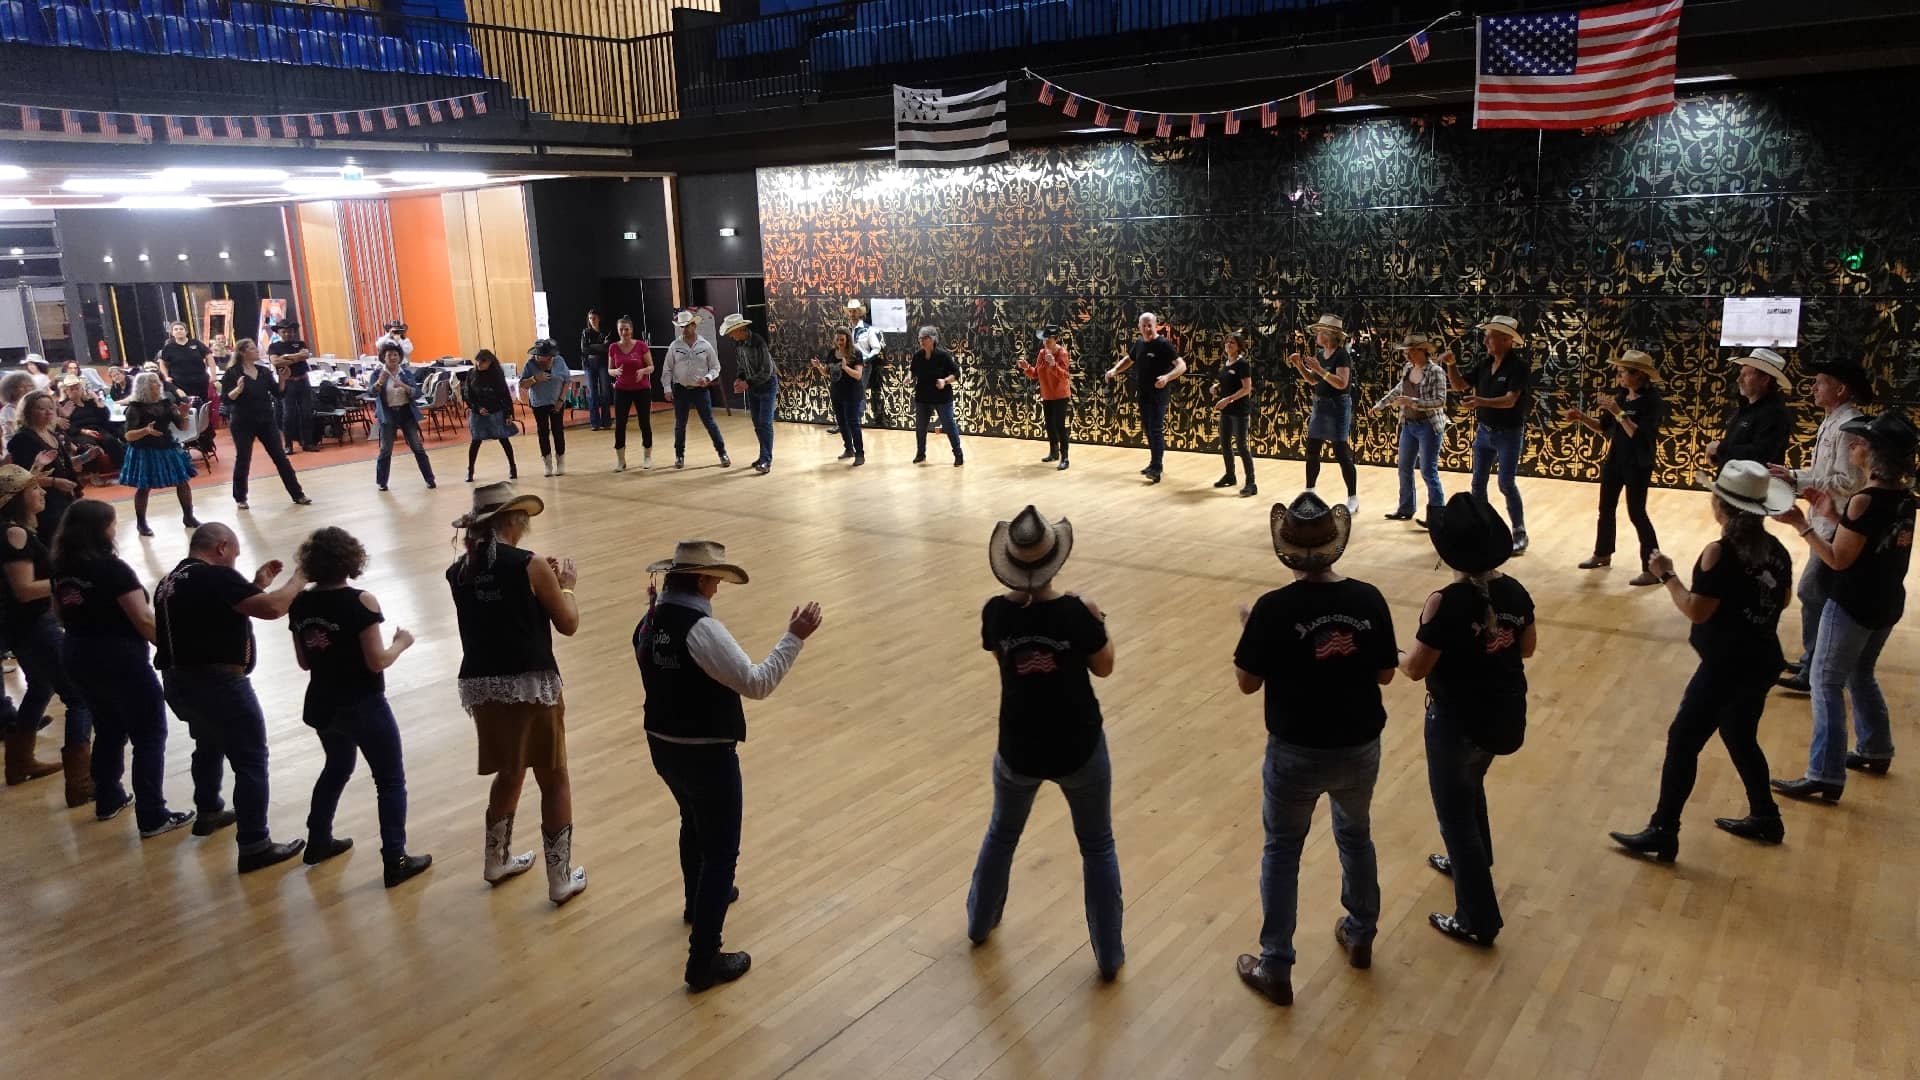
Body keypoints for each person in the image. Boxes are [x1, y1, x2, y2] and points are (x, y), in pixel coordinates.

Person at [637, 539, 823, 990]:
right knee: (721, 855)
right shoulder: (701, 630)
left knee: (691, 822)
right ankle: (704, 961)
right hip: (706, 754)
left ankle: (694, 902)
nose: (718, 588)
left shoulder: (649, 620)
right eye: (716, 580)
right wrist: (794, 636)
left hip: (662, 745)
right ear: (701, 580)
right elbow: (757, 683)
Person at [1231, 492, 1394, 1006]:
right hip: (1359, 745)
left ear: (1288, 549)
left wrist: (1251, 633)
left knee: (1282, 851)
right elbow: (1386, 672)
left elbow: (1247, 683)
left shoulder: (1273, 609)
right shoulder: (1369, 598)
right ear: (1334, 545)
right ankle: (1361, 932)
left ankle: (1276, 965)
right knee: (1356, 836)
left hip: (1295, 750)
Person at [1608, 461, 1795, 861]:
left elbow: (1697, 610)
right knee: (1740, 735)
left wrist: (1667, 575)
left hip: (1727, 666)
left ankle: (1663, 829)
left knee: (1683, 740)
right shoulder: (1777, 551)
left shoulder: (1719, 553)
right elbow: (1782, 601)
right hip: (1763, 660)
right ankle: (1766, 816)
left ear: (1721, 505)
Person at [967, 507, 1121, 980]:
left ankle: (978, 923)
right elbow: (1104, 666)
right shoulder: (1077, 612)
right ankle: (1109, 955)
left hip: (1018, 745)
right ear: (1055, 558)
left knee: (1002, 834)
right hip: (1079, 744)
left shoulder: (995, 612)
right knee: (1097, 846)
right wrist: (1099, 619)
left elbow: (1005, 665)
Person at [1399, 493, 1536, 948]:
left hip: (1456, 721)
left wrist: (1392, 654)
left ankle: (1478, 918)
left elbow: (1417, 668)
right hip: (1503, 712)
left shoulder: (1446, 601)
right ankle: (1475, 859)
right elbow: (1528, 647)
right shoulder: (1515, 591)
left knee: (1455, 816)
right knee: (1471, 786)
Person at [446, 482, 586, 905]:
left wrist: (539, 573)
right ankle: (560, 880)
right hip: (530, 683)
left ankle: (496, 861)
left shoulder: (458, 570)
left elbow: (494, 598)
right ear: (513, 519)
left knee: (510, 771)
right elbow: (568, 623)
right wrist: (567, 585)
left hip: (481, 685)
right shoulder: (529, 565)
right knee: (554, 777)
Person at [1770, 410, 1916, 801]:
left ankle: (1824, 774)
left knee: (1825, 682)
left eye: (1861, 442)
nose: (1853, 445)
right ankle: (1875, 748)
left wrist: (1801, 525)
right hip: (1887, 600)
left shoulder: (1865, 501)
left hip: (1853, 603)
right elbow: (1871, 544)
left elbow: (1837, 559)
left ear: (1875, 454)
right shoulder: (1904, 499)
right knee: (1861, 674)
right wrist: (1832, 514)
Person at [155, 523, 308, 872]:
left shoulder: (171, 581)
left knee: (208, 742)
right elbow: (273, 609)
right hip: (219, 683)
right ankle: (255, 844)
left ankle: (208, 810)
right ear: (222, 547)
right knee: (251, 759)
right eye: (234, 555)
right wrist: (300, 577)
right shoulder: (215, 576)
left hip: (179, 683)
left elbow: (213, 616)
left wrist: (254, 586)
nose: (233, 563)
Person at [289, 527, 432, 888]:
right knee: (390, 781)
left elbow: (304, 662)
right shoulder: (361, 602)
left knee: (336, 768)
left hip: (323, 703)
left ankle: (318, 839)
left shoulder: (301, 603)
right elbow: (376, 661)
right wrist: (401, 643)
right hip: (362, 704)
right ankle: (395, 860)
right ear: (351, 560)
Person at [50, 499, 194, 836]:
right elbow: (143, 618)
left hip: (76, 653)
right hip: (119, 657)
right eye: (112, 523)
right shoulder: (112, 569)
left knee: (108, 727)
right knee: (149, 733)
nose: (115, 529)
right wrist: (178, 652)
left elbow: (59, 613)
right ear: (101, 529)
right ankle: (152, 815)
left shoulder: (61, 567)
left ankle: (108, 797)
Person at [0, 465, 94, 808]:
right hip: (33, 625)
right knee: (79, 696)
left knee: (41, 686)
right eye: (33, 489)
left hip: (22, 626)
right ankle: (81, 783)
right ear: (17, 498)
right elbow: (24, 590)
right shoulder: (16, 535)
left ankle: (19, 762)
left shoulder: (16, 530)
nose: (41, 492)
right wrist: (66, 580)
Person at [1771, 361, 1868, 693]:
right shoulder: (1833, 421)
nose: (1813, 388)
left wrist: (1797, 479)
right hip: (1825, 520)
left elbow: (1848, 480)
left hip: (1836, 523)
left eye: (1820, 382)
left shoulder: (1849, 425)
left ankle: (1816, 667)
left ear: (1840, 389)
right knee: (1817, 592)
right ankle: (1813, 659)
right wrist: (1794, 476)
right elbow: (1828, 473)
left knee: (1811, 591)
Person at [1564, 349, 1666, 586]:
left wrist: (1619, 413)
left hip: (1638, 464)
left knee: (1637, 514)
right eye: (1619, 372)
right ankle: (1602, 553)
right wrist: (1581, 417)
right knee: (1605, 509)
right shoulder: (1621, 396)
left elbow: (1639, 436)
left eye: (1623, 372)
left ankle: (1652, 569)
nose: (1619, 377)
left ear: (1639, 375)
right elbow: (1603, 427)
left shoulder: (1652, 402)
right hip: (1615, 460)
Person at [1442, 315, 1532, 554]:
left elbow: (1510, 401)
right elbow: (1461, 385)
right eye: (1486, 337)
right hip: (1484, 432)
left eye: (1489, 337)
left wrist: (1480, 400)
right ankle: (1481, 530)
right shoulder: (1485, 364)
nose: (1485, 342)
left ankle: (1519, 532)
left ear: (1506, 340)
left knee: (1505, 483)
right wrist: (1451, 365)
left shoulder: (1518, 367)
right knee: (1477, 484)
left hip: (1509, 434)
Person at [220, 340, 311, 511]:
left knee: (280, 458)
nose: (257, 351)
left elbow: (278, 393)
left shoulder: (263, 371)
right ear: (243, 353)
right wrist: (238, 390)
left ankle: (297, 494)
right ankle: (240, 497)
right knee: (243, 459)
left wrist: (282, 380)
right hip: (243, 422)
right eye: (253, 349)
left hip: (266, 420)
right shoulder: (233, 373)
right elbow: (225, 399)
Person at [1371, 332, 1449, 526]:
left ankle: (1437, 515)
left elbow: (1440, 401)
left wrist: (1412, 402)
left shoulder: (1436, 371)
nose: (1407, 355)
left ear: (1422, 350)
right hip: (1409, 425)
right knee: (1404, 468)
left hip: (1429, 427)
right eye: (1406, 351)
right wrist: (1380, 405)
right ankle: (1405, 508)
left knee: (1428, 471)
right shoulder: (1408, 368)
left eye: (1411, 351)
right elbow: (1398, 390)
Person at [1287, 315, 1360, 512]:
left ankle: (1353, 496)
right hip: (1320, 405)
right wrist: (1299, 365)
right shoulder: (1320, 354)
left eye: (1319, 331)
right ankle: (1309, 491)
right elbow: (1313, 380)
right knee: (1312, 448)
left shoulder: (1341, 355)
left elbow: (1342, 383)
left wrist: (1320, 369)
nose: (1316, 335)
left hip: (1338, 406)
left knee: (1341, 451)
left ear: (1329, 334)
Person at [1103, 312, 1186, 483]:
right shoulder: (1140, 343)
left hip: (1159, 395)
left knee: (1155, 429)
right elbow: (1129, 359)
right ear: (1139, 327)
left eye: (1150, 325)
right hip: (1143, 393)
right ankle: (1153, 462)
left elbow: (1181, 365)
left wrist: (1166, 377)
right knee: (1148, 429)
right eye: (1144, 325)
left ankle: (1157, 467)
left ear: (1156, 325)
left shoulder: (1163, 344)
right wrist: (1115, 370)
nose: (1147, 329)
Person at [118, 372, 200, 536]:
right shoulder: (135, 408)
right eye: (154, 383)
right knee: (144, 487)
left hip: (166, 445)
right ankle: (141, 524)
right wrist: (145, 431)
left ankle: (189, 517)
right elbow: (128, 436)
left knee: (183, 481)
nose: (159, 385)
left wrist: (184, 414)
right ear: (144, 387)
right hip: (144, 450)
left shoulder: (166, 402)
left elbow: (182, 427)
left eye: (157, 382)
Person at [6, 391, 86, 544]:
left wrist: (78, 462)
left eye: (51, 407)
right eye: (41, 408)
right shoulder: (22, 438)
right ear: (28, 412)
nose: (48, 411)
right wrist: (55, 482)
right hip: (43, 501)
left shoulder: (50, 433)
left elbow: (60, 462)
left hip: (62, 495)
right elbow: (22, 478)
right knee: (53, 540)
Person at [663, 311, 729, 471]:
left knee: (709, 422)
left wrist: (708, 377)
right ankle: (679, 455)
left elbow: (716, 366)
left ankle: (722, 453)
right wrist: (667, 388)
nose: (684, 329)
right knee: (680, 424)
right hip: (680, 389)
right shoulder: (674, 346)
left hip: (700, 389)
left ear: (694, 325)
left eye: (686, 326)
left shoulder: (705, 345)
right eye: (681, 327)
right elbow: (667, 369)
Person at [1707, 349, 1792, 468]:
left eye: (1745, 375)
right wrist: (1717, 456)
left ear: (1764, 379)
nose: (1738, 380)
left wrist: (1720, 449)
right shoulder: (1745, 409)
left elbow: (1760, 454)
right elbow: (1737, 444)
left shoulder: (1775, 414)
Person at [369, 343, 435, 493]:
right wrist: (380, 381)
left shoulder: (405, 373)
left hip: (406, 413)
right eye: (389, 355)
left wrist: (403, 386)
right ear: (383, 358)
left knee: (417, 447)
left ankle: (430, 479)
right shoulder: (377, 374)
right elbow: (371, 392)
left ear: (399, 357)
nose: (392, 357)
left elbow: (417, 393)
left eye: (395, 355)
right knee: (385, 450)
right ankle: (382, 482)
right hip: (388, 415)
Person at [723, 314, 778, 475]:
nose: (730, 336)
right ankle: (763, 456)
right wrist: (739, 379)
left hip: (767, 385)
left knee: (765, 422)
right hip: (754, 387)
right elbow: (741, 366)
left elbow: (767, 371)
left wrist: (747, 383)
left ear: (740, 329)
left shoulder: (758, 342)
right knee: (757, 423)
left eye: (731, 332)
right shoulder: (739, 345)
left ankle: (766, 460)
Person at [1020, 325, 1073, 470]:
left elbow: (1065, 375)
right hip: (1047, 394)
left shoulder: (1062, 353)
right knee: (1049, 425)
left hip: (1060, 395)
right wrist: (1027, 367)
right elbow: (1036, 373)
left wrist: (1053, 364)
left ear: (1056, 339)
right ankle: (1053, 452)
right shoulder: (1042, 353)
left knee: (1060, 426)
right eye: (1044, 339)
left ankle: (1065, 457)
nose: (1045, 342)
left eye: (1048, 339)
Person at [460, 349, 518, 482]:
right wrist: (477, 408)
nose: (479, 364)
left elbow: (505, 395)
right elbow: (467, 395)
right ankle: (470, 470)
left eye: (482, 362)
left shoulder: (497, 375)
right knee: (476, 441)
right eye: (477, 361)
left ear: (490, 362)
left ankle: (513, 467)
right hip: (478, 412)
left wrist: (508, 413)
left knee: (504, 439)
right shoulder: (472, 374)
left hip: (496, 411)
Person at [910, 326, 963, 467]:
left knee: (949, 425)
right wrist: (909, 377)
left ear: (932, 339)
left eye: (924, 338)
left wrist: (945, 381)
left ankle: (958, 454)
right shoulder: (918, 355)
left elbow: (956, 374)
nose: (921, 340)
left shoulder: (943, 356)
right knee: (920, 427)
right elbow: (913, 371)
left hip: (942, 397)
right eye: (920, 338)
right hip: (923, 396)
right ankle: (920, 454)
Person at [811, 328, 864, 466]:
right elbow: (828, 373)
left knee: (853, 423)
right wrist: (818, 367)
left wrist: (846, 368)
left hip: (852, 393)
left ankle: (860, 454)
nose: (839, 342)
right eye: (837, 339)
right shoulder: (831, 353)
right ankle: (848, 449)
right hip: (837, 393)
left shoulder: (856, 353)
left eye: (842, 340)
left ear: (847, 339)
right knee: (841, 423)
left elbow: (858, 375)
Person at [608, 316, 654, 472]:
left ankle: (647, 456)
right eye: (621, 329)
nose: (623, 332)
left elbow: (652, 367)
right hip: (622, 390)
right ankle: (621, 460)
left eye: (626, 329)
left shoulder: (641, 345)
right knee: (620, 424)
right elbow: (609, 369)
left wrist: (643, 370)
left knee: (644, 423)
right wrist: (614, 371)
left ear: (631, 330)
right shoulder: (613, 347)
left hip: (641, 389)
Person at [520, 339, 571, 477]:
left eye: (549, 356)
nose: (546, 359)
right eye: (543, 356)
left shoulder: (559, 360)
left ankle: (561, 462)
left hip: (556, 401)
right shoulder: (530, 364)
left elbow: (567, 380)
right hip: (539, 403)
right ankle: (547, 464)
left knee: (558, 431)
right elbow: (523, 384)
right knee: (543, 432)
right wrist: (535, 379)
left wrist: (561, 399)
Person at [266, 316, 317, 454]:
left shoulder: (300, 344)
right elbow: (275, 362)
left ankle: (308, 442)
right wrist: (296, 357)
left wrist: (286, 358)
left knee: (306, 413)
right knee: (288, 415)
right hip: (288, 383)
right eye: (284, 331)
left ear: (294, 332)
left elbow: (305, 355)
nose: (288, 334)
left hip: (303, 381)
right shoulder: (274, 346)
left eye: (290, 331)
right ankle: (288, 445)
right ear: (279, 332)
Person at [57, 377, 123, 477]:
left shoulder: (89, 402)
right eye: (72, 389)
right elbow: (66, 426)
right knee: (90, 446)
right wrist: (84, 431)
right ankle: (94, 474)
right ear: (66, 391)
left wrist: (101, 407)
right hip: (78, 432)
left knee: (110, 440)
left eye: (77, 388)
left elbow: (104, 419)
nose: (75, 391)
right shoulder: (64, 406)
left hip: (97, 428)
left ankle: (121, 467)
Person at [847, 299, 887, 430]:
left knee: (858, 391)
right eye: (851, 311)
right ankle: (847, 421)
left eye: (855, 312)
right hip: (849, 365)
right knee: (848, 391)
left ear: (859, 313)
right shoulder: (847, 329)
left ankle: (855, 420)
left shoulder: (868, 329)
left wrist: (866, 359)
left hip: (863, 365)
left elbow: (876, 348)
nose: (852, 314)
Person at [155, 321, 213, 409]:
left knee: (203, 405)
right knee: (185, 406)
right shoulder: (169, 348)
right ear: (172, 333)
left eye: (181, 329)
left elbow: (209, 356)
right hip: (180, 383)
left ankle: (205, 422)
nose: (179, 331)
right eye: (176, 329)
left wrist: (213, 374)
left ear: (186, 331)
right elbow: (162, 363)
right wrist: (166, 377)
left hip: (200, 381)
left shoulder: (196, 343)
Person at [579, 309, 614, 431]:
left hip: (603, 364)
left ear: (598, 318)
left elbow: (607, 347)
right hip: (589, 365)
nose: (592, 320)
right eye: (590, 318)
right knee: (592, 393)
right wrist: (599, 347)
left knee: (605, 392)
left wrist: (592, 347)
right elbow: (585, 350)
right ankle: (595, 423)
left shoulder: (606, 332)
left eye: (594, 317)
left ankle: (606, 421)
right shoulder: (586, 332)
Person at [0, 371, 34, 441]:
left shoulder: (30, 405)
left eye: (30, 386)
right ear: (11, 389)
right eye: (22, 386)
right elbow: (17, 431)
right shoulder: (8, 410)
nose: (27, 389)